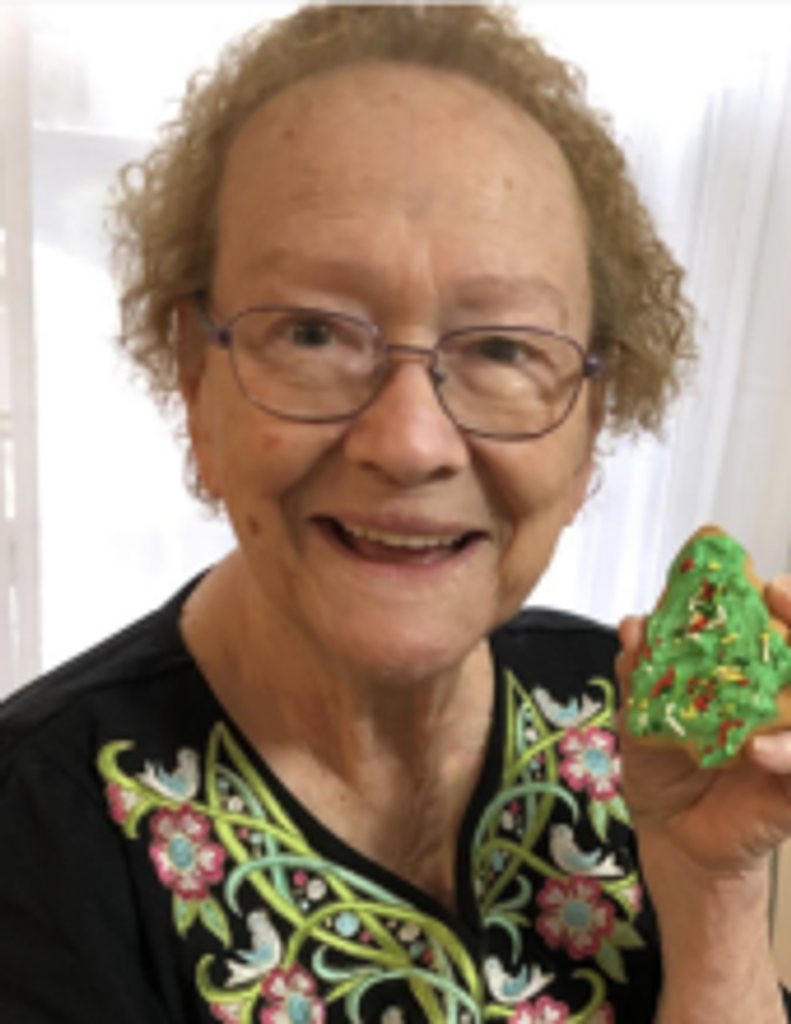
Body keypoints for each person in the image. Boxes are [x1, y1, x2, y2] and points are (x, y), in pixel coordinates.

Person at [1, 5, 789, 1023]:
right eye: (313, 333)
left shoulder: (632, 719)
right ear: (196, 379)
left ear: (591, 422)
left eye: (501, 347)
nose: (410, 442)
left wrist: (713, 892)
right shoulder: (35, 833)